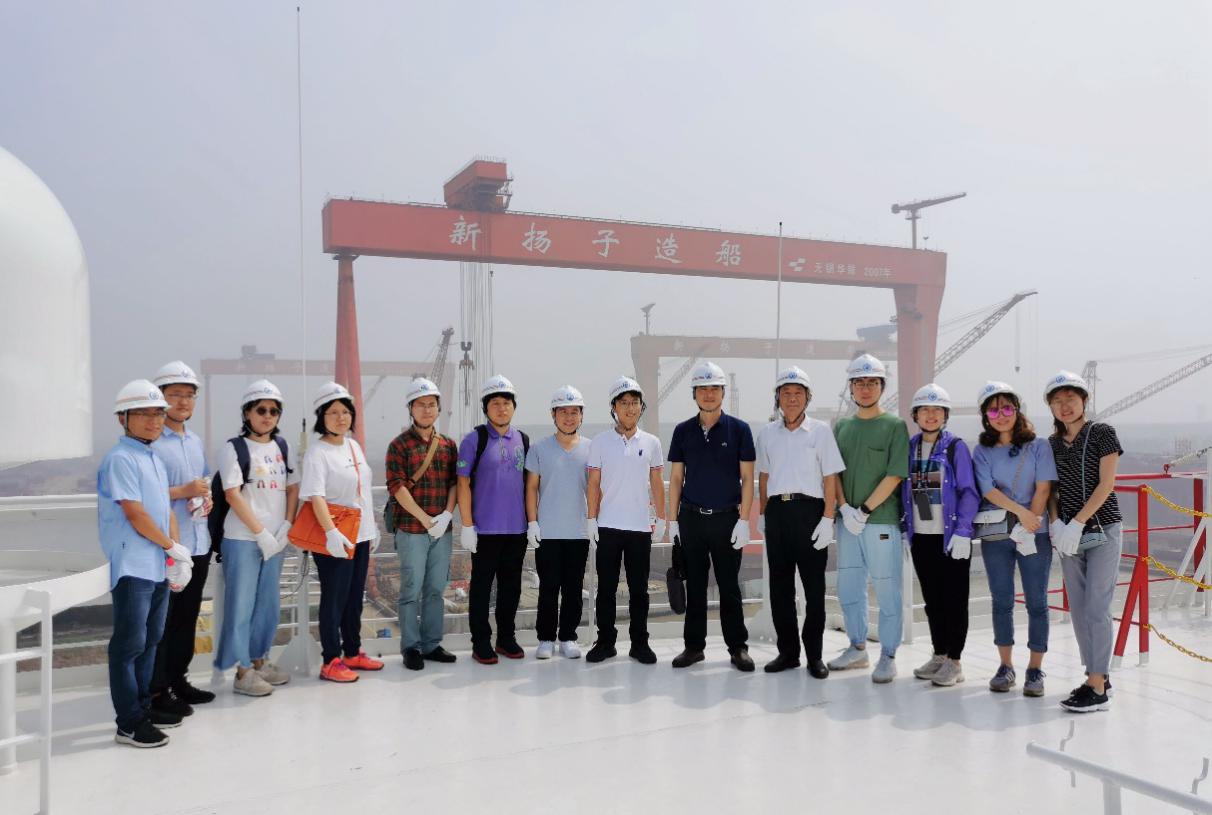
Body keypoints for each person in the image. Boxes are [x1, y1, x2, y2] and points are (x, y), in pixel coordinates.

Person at [98, 380, 193, 747]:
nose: (155, 421)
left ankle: (143, 708)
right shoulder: (120, 458)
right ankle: (129, 722)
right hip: (132, 564)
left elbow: (164, 510)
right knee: (129, 644)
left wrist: (175, 551)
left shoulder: (153, 458)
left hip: (155, 563)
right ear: (123, 418)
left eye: (158, 413)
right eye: (144, 413)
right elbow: (135, 514)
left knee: (151, 639)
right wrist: (170, 546)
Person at [667, 362, 756, 671]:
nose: (708, 394)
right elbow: (676, 479)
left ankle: (738, 648)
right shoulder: (682, 431)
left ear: (722, 392)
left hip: (727, 519)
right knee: (695, 586)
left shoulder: (740, 430)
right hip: (692, 518)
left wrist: (744, 520)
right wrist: (672, 520)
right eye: (702, 389)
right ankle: (694, 648)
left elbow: (748, 478)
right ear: (694, 394)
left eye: (714, 388)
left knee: (730, 586)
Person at [757, 366, 844, 678]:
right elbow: (763, 476)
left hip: (810, 513)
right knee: (779, 589)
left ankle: (815, 656)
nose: (792, 398)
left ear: (807, 397)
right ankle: (788, 653)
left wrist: (828, 518)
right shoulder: (767, 434)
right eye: (786, 393)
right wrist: (763, 514)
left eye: (798, 393)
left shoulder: (820, 432)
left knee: (814, 590)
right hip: (778, 513)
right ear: (778, 398)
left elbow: (830, 476)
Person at [213, 379, 298, 696]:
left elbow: (293, 487)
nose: (268, 416)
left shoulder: (282, 447)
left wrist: (287, 523)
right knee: (241, 606)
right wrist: (260, 532)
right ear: (247, 412)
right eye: (261, 410)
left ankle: (259, 660)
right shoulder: (233, 449)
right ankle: (242, 671)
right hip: (243, 539)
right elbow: (232, 494)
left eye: (274, 411)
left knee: (267, 605)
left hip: (276, 539)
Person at [828, 354, 910, 683]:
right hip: (846, 521)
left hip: (880, 521)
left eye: (872, 382)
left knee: (887, 588)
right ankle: (857, 647)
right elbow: (833, 472)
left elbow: (895, 474)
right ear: (851, 387)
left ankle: (888, 654)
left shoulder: (895, 426)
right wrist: (845, 507)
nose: (865, 388)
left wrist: (863, 511)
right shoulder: (842, 427)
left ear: (882, 387)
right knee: (849, 586)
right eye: (859, 382)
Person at [1046, 370, 1123, 713]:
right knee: (1078, 607)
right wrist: (1055, 524)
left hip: (1103, 527)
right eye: (1057, 401)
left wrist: (1077, 522)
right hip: (1067, 534)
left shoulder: (1103, 433)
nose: (1064, 406)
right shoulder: (1051, 444)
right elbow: (1050, 489)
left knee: (1097, 606)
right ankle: (1096, 676)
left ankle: (1097, 687)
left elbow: (1107, 484)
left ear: (1084, 400)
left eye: (1070, 399)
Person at [299, 381, 383, 682]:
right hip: (334, 537)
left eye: (345, 412)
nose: (341, 417)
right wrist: (331, 532)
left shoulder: (352, 445)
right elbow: (315, 496)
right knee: (333, 599)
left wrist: (372, 529)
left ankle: (352, 651)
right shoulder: (317, 452)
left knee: (354, 597)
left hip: (360, 534)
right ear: (322, 417)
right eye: (333, 412)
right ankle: (330, 660)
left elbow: (362, 491)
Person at [900, 384, 980, 688]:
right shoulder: (911, 447)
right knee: (932, 600)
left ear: (945, 415)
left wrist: (963, 531)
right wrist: (904, 528)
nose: (930, 415)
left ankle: (955, 662)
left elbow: (969, 492)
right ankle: (939, 654)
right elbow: (903, 490)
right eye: (924, 410)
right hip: (922, 536)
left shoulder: (955, 447)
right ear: (915, 415)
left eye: (937, 410)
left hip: (950, 539)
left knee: (955, 600)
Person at [148, 361, 215, 717]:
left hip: (197, 541)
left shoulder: (195, 440)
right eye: (176, 394)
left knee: (186, 618)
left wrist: (206, 496)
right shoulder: (152, 442)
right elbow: (144, 494)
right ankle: (157, 691)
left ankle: (179, 680)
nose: (184, 401)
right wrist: (183, 490)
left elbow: (202, 480)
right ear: (160, 397)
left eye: (189, 395)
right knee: (162, 621)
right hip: (168, 546)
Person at [585, 376, 666, 665]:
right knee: (606, 589)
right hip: (608, 526)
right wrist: (591, 519)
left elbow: (656, 482)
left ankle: (639, 643)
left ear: (641, 407)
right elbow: (593, 483)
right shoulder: (600, 442)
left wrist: (662, 518)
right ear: (614, 407)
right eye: (624, 403)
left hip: (640, 528)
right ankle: (606, 642)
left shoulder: (652, 442)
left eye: (635, 403)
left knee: (639, 590)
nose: (630, 408)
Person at [385, 377, 458, 671]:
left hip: (442, 530)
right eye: (420, 405)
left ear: (438, 409)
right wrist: (426, 520)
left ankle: (431, 644)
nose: (427, 410)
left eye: (431, 405)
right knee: (411, 589)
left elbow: (454, 483)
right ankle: (411, 647)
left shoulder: (448, 445)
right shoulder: (399, 445)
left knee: (436, 589)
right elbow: (397, 487)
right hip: (412, 530)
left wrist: (447, 514)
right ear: (411, 409)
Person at [457, 375, 530, 665]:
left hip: (516, 529)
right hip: (485, 530)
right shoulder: (475, 439)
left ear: (514, 407)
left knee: (511, 587)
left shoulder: (523, 440)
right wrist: (467, 525)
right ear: (486, 408)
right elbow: (462, 483)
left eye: (506, 403)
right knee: (481, 588)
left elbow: (529, 484)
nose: (501, 408)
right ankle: (481, 642)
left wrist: (532, 522)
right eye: (495, 403)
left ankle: (506, 638)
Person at [525, 385, 592, 659]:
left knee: (574, 588)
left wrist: (594, 520)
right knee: (548, 588)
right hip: (548, 531)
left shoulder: (591, 448)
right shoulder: (539, 448)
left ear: (581, 415)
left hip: (578, 531)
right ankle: (545, 638)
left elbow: (595, 488)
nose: (569, 417)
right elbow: (531, 487)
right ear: (553, 414)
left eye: (574, 412)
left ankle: (568, 637)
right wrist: (532, 523)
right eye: (563, 411)